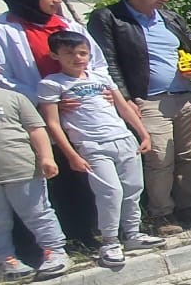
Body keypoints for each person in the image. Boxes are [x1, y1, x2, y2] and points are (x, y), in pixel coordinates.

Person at [87, 0, 191, 235]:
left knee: (187, 156)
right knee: (160, 159)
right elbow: (107, 62)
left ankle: (185, 207)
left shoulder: (170, 18)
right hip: (148, 100)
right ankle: (161, 214)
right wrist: (126, 98)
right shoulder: (109, 18)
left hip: (185, 97)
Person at [0, 0, 109, 251]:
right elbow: (0, 77)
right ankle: (47, 243)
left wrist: (96, 89)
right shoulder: (1, 31)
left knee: (85, 172)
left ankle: (88, 232)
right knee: (49, 176)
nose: (57, 0)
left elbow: (98, 64)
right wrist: (46, 97)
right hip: (35, 117)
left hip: (80, 113)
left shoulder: (70, 27)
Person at [35, 31, 164, 267]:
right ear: (55, 55)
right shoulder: (52, 84)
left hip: (123, 138)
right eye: (70, 53)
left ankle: (133, 233)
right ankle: (109, 241)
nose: (78, 58)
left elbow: (123, 107)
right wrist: (71, 154)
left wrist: (142, 133)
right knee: (110, 192)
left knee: (133, 188)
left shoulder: (101, 77)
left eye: (83, 53)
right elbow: (52, 123)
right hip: (92, 145)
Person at [0, 78, 70, 280]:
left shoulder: (14, 98)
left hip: (21, 168)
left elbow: (36, 129)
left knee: (38, 213)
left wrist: (46, 157)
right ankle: (5, 259)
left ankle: (55, 252)